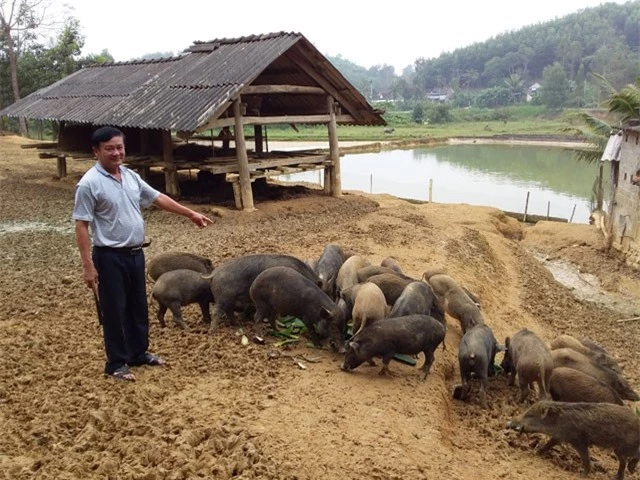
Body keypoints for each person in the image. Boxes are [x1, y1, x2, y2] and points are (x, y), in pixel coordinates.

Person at [73, 126, 214, 381]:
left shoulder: (130, 176)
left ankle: (138, 353)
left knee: (138, 306)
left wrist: (190, 213)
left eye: (120, 147)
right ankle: (116, 363)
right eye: (110, 149)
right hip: (109, 256)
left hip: (135, 253)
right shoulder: (88, 184)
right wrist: (87, 266)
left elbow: (158, 198)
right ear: (96, 151)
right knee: (114, 309)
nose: (116, 153)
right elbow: (81, 225)